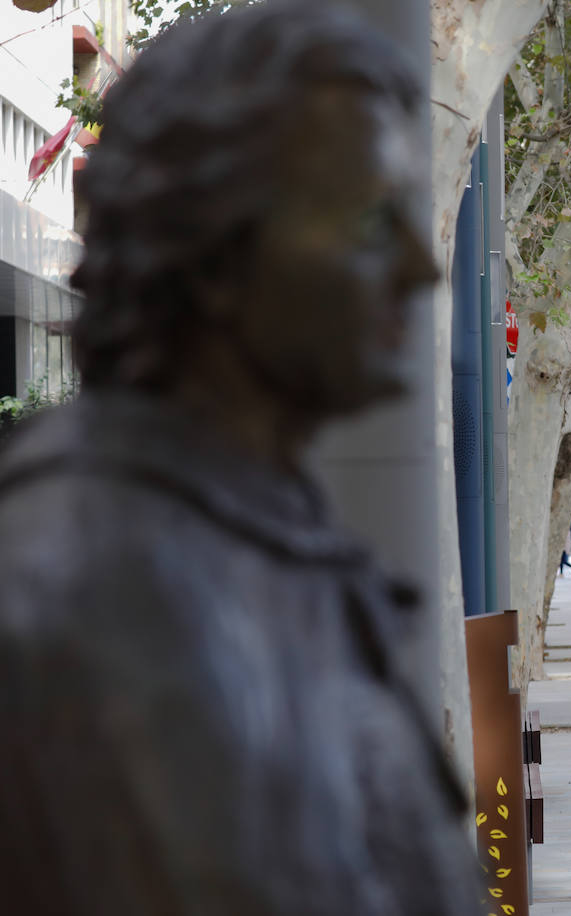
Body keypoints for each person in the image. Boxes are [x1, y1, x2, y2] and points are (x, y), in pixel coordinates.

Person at [0, 3, 484, 910]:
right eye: (372, 222)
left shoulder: (255, 534)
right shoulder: (88, 593)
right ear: (217, 249)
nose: (422, 268)